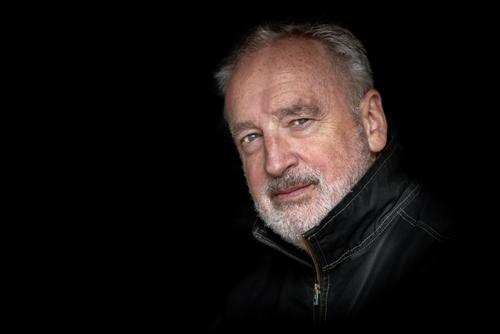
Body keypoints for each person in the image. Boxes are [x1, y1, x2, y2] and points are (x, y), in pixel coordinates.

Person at [214, 21, 467, 331]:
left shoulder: (449, 266)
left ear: (371, 122)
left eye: (299, 120)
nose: (275, 163)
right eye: (252, 137)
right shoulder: (245, 305)